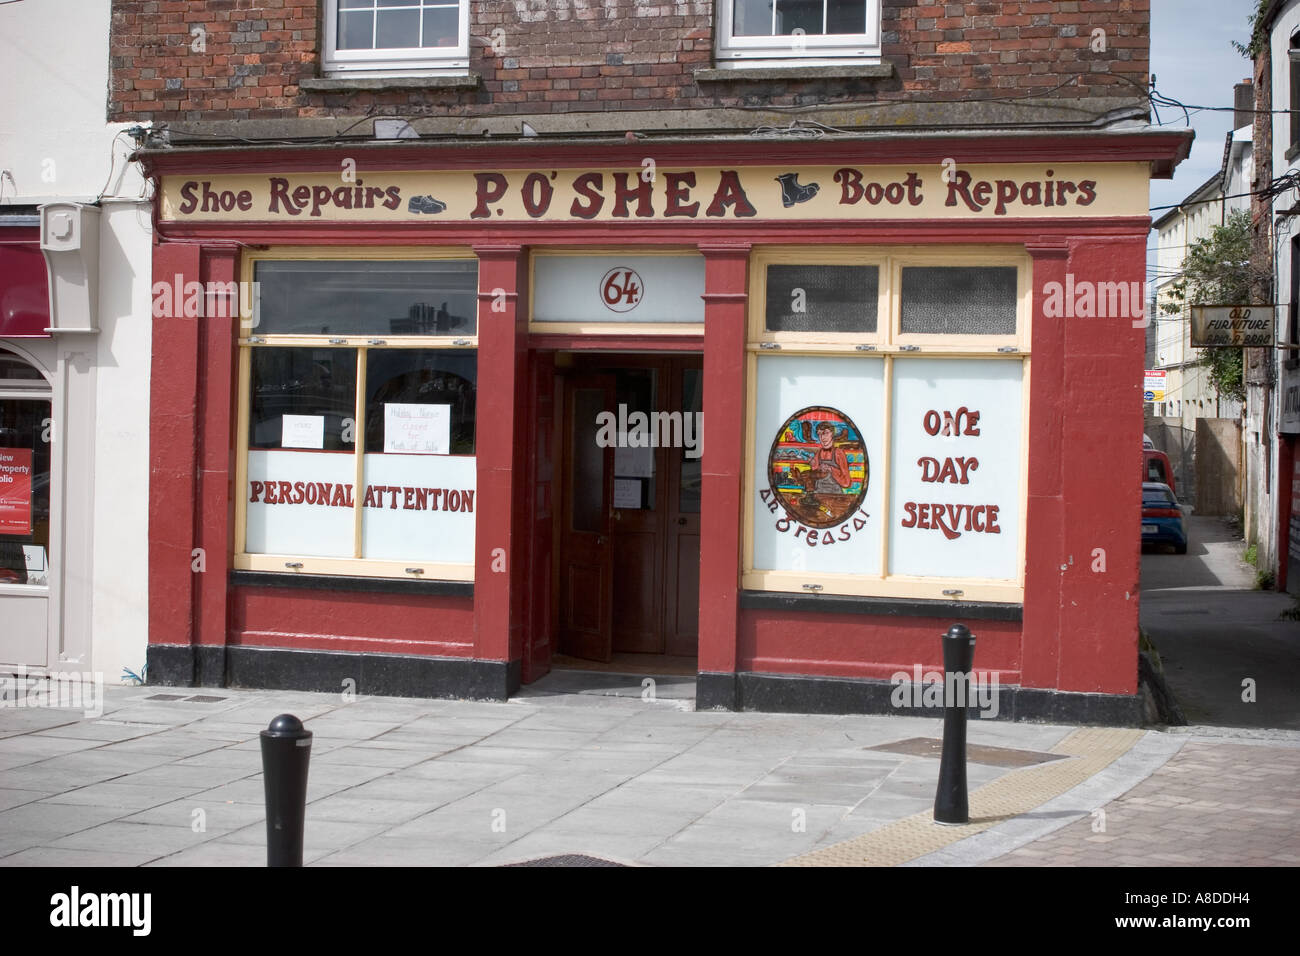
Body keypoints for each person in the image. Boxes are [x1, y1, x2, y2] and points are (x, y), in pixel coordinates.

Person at [802, 421, 851, 494]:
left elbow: (846, 482)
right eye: (819, 434)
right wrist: (813, 464)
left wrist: (831, 469)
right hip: (819, 492)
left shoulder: (839, 453)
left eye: (825, 433)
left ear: (832, 434)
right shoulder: (819, 452)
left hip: (835, 495)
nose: (822, 437)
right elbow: (815, 470)